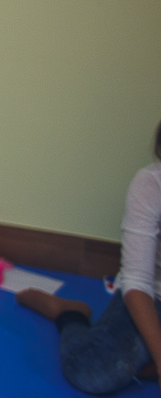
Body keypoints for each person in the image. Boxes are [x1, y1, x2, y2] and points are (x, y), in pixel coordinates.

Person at [17, 120, 161, 394]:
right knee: (89, 370)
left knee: (119, 365)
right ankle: (70, 314)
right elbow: (138, 282)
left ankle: (140, 366)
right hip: (152, 297)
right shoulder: (151, 185)